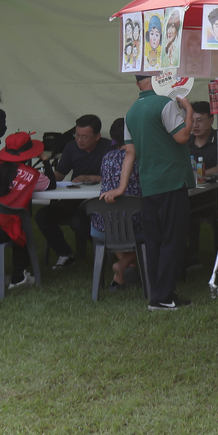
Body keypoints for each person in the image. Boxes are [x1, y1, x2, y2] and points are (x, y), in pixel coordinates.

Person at [105, 73, 195, 311]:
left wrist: (122, 187)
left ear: (137, 83)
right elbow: (182, 136)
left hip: (149, 184)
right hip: (172, 180)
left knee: (155, 241)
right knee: (173, 240)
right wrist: (188, 110)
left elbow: (130, 153)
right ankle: (163, 297)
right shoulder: (165, 103)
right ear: (160, 80)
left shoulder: (131, 112)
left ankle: (160, 294)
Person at [0, 131, 50, 290]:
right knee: (20, 226)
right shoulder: (32, 174)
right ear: (29, 153)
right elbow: (51, 184)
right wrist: (46, 161)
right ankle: (18, 277)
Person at [34, 114, 109, 269]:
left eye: (84, 137)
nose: (79, 140)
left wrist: (92, 177)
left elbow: (119, 176)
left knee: (78, 222)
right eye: (77, 135)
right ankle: (65, 254)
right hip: (74, 198)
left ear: (97, 137)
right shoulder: (71, 147)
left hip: (99, 200)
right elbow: (60, 175)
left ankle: (106, 249)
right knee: (42, 216)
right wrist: (42, 179)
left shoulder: (108, 147)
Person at [93, 118, 142, 290]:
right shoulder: (140, 157)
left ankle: (125, 269)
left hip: (104, 224)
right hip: (134, 221)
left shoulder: (107, 157)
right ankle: (125, 264)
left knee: (117, 227)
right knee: (158, 228)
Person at [186, 101, 218, 181]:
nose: (195, 125)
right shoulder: (186, 141)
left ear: (211, 121)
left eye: (199, 120)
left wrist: (199, 174)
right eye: (192, 121)